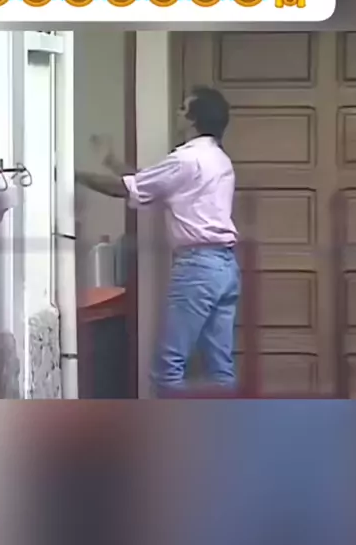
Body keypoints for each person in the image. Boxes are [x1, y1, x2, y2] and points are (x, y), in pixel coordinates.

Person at [76, 85, 240, 394]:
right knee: (220, 369)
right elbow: (149, 182)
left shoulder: (187, 159)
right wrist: (111, 160)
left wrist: (71, 175)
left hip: (198, 268)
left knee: (168, 370)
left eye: (183, 108)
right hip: (225, 267)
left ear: (192, 119)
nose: (178, 112)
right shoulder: (219, 159)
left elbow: (126, 188)